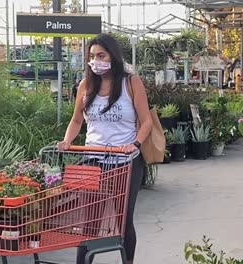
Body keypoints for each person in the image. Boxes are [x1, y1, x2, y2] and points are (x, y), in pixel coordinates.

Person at [56, 33, 152, 264]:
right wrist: (67, 141)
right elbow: (77, 120)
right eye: (91, 56)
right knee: (89, 220)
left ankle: (127, 260)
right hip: (92, 160)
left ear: (113, 56)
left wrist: (135, 144)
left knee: (123, 220)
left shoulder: (131, 83)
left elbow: (146, 120)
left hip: (125, 161)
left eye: (101, 55)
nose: (95, 60)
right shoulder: (85, 85)